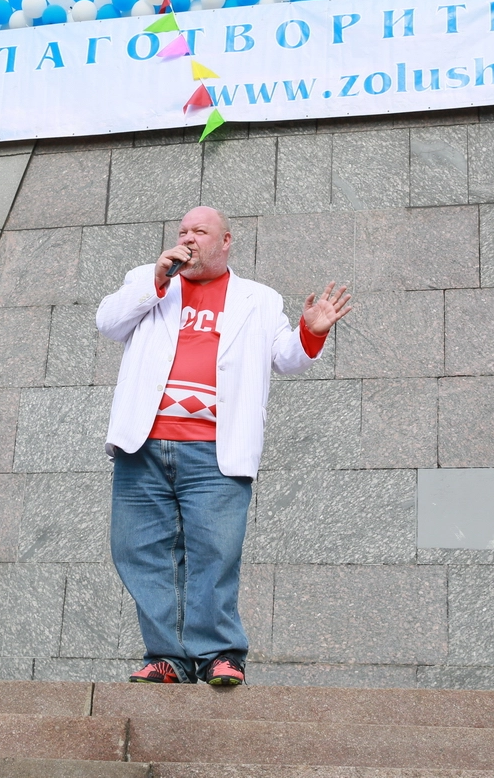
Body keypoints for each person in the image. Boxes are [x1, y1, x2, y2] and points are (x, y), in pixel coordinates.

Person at [96, 206, 352, 685]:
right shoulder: (148, 281)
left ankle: (219, 653)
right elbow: (108, 323)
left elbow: (286, 358)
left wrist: (311, 331)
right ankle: (168, 658)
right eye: (183, 231)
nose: (189, 238)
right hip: (142, 443)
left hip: (215, 448)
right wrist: (154, 281)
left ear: (226, 241)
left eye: (200, 231)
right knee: (138, 549)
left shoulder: (259, 299)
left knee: (215, 551)